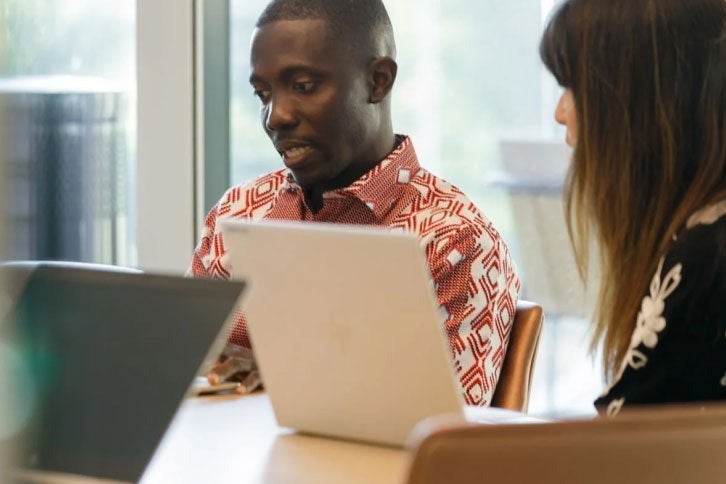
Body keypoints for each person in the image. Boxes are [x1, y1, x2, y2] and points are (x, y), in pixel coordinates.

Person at [188, 0, 520, 406]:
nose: (275, 117)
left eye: (303, 86)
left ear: (377, 81)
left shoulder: (454, 240)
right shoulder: (236, 212)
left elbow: (446, 440)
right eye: (263, 94)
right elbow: (188, 379)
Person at [540, 0, 725, 415]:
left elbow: (623, 461)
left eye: (573, 87)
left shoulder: (704, 263)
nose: (559, 112)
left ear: (633, 105)